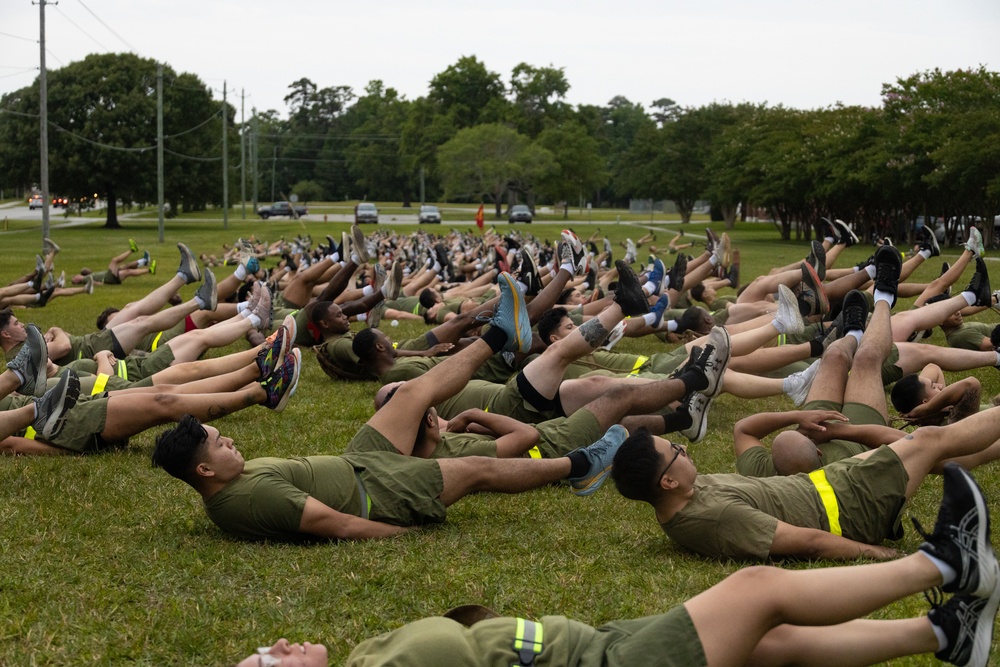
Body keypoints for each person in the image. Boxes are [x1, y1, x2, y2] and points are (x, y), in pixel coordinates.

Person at [239, 464, 999, 667]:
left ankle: (943, 637)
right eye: (269, 664)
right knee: (761, 591)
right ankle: (943, 563)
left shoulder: (367, 660)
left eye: (263, 649)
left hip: (597, 641)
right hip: (612, 661)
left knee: (775, 645)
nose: (277, 645)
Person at [151, 274, 635, 542]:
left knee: (412, 393)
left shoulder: (231, 484)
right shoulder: (243, 500)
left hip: (359, 461)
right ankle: (579, 465)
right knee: (475, 468)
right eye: (219, 443)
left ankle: (500, 334)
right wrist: (395, 535)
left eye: (220, 435)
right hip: (376, 491)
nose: (228, 438)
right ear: (203, 470)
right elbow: (330, 522)